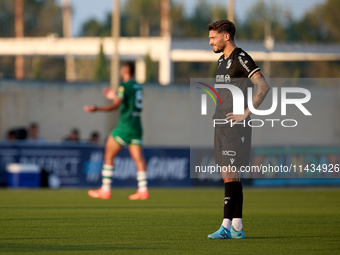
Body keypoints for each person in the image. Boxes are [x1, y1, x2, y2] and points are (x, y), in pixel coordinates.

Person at [207, 20, 270, 239]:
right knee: (232, 177)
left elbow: (263, 85)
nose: (210, 42)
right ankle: (237, 227)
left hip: (236, 126)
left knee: (229, 176)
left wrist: (246, 112)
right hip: (221, 125)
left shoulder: (241, 58)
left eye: (213, 38)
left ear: (226, 36)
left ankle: (226, 226)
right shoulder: (221, 60)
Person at [83, 62, 148, 200]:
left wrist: (97, 109)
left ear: (125, 71)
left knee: (108, 154)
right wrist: (115, 96)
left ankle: (105, 189)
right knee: (138, 158)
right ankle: (143, 190)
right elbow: (128, 101)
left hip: (125, 126)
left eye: (121, 69)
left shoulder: (124, 86)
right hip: (137, 125)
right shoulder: (138, 86)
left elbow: (116, 106)